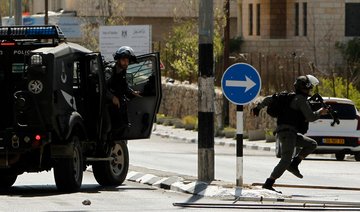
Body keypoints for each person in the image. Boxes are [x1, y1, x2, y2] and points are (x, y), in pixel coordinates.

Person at [251, 75, 328, 193]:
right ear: (305, 87)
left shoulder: (287, 97)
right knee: (286, 159)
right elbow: (311, 117)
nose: (310, 90)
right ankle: (268, 183)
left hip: (288, 133)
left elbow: (267, 99)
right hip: (288, 133)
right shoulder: (300, 99)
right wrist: (320, 112)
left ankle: (294, 164)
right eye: (309, 87)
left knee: (311, 144)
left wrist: (258, 108)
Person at [102, 46, 141, 141]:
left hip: (118, 106)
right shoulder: (110, 71)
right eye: (124, 60)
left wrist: (132, 92)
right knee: (108, 127)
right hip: (107, 105)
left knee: (123, 125)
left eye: (127, 61)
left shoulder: (122, 71)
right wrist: (112, 98)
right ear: (118, 60)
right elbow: (102, 88)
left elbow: (123, 86)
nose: (126, 63)